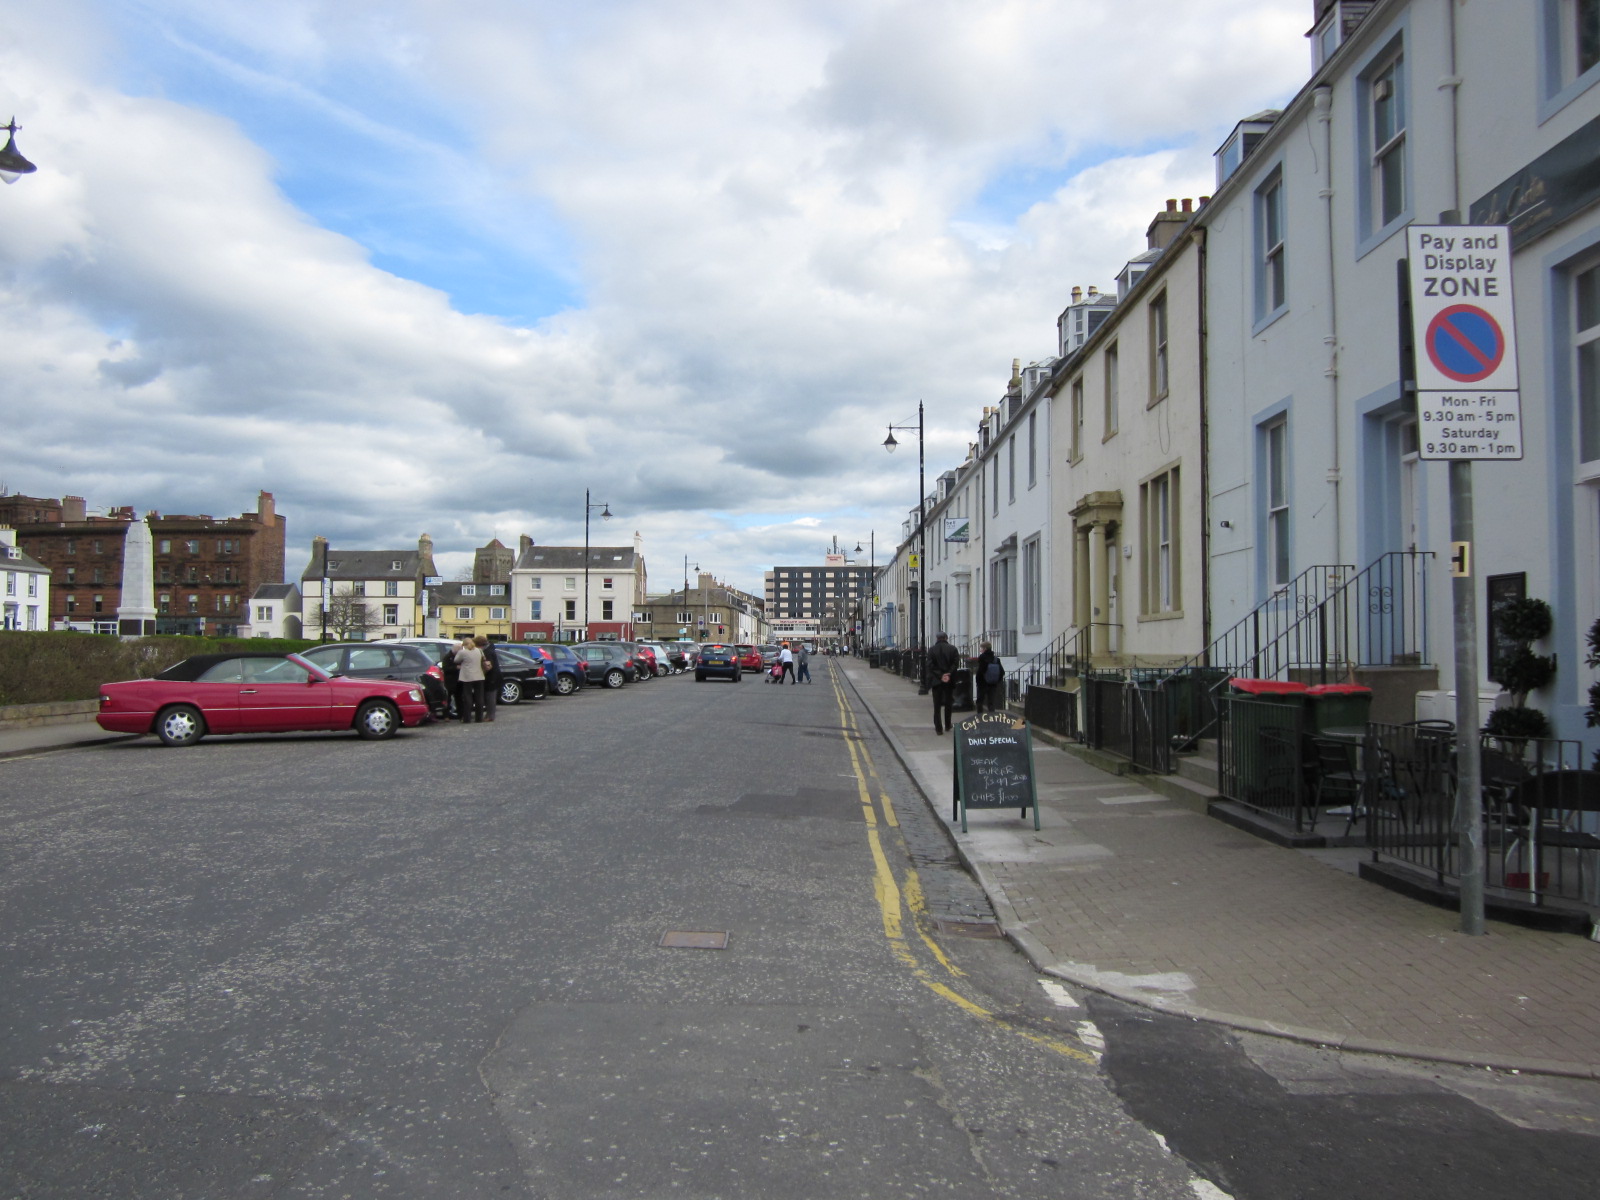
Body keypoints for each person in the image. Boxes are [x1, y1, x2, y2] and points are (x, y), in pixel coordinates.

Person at [927, 632, 962, 734]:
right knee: (948, 703)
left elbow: (930, 665)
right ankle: (947, 724)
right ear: (946, 638)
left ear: (937, 638)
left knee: (937, 705)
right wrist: (948, 674)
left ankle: (938, 728)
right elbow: (955, 664)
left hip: (936, 681)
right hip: (949, 680)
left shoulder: (932, 650)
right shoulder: (953, 649)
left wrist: (940, 675)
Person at [453, 635, 487, 724]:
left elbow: (456, 660)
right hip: (479, 676)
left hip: (467, 677)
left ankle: (467, 718)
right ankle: (479, 718)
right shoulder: (479, 650)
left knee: (468, 698)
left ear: (464, 645)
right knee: (479, 697)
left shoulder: (463, 652)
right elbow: (483, 659)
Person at [476, 634, 500, 722]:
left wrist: (482, 672)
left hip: (491, 677)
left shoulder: (487, 652)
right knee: (491, 696)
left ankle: (490, 716)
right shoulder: (491, 649)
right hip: (495, 675)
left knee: (490, 697)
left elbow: (488, 666)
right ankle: (490, 715)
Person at [975, 641, 1004, 714]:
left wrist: (978, 681)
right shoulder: (996, 659)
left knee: (980, 701)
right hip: (993, 683)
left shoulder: (982, 657)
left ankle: (980, 717)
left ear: (985, 648)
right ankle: (992, 718)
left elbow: (981, 671)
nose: (980, 650)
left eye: (981, 648)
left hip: (982, 683)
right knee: (991, 702)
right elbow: (1002, 672)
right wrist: (996, 680)